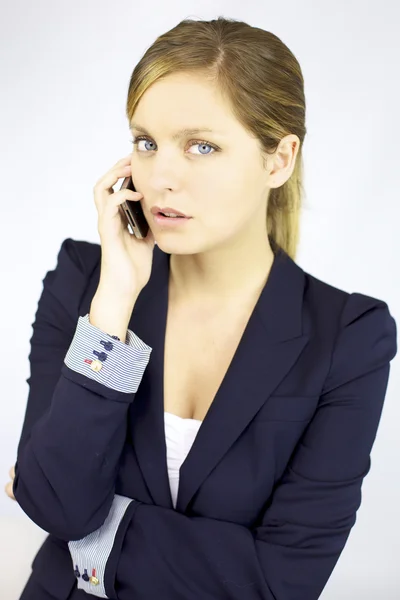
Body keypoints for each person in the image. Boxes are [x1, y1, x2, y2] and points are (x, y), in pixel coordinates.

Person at [7, 15, 397, 600]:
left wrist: (92, 541)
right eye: (146, 142)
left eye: (202, 146)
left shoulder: (348, 337)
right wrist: (114, 301)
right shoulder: (84, 281)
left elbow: (282, 581)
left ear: (278, 160)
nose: (161, 176)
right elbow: (57, 501)